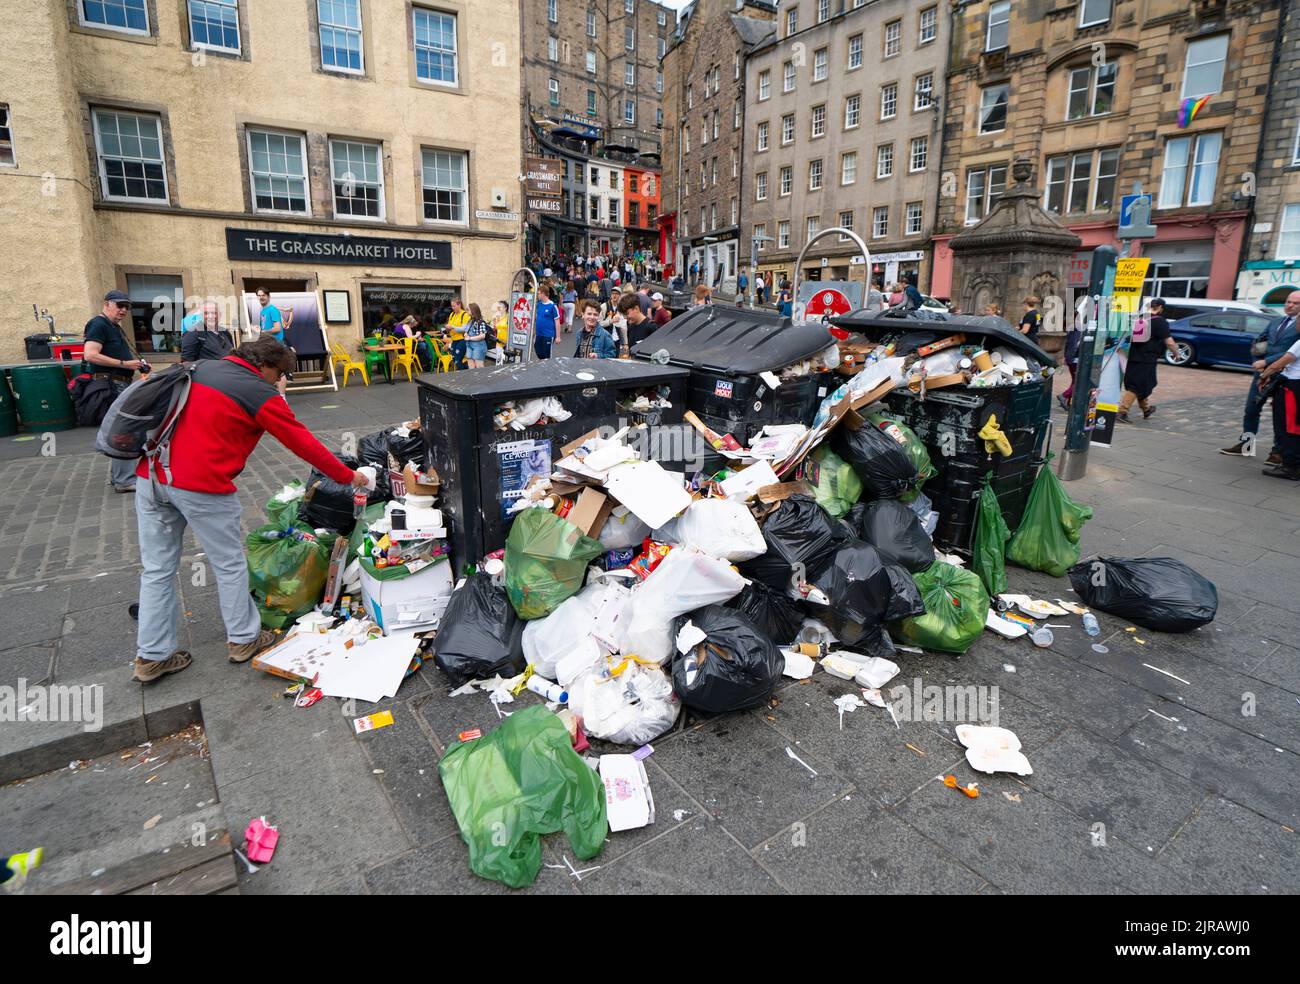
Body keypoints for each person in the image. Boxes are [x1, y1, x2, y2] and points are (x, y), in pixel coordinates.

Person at [130, 336, 368, 682]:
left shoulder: (203, 368)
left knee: (156, 570)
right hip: (202, 485)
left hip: (151, 476)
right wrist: (349, 476)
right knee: (229, 564)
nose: (279, 382)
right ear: (265, 367)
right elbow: (302, 442)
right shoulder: (258, 391)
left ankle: (151, 657)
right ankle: (243, 639)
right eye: (279, 375)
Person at [83, 289, 151, 492]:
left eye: (127, 307)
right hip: (111, 384)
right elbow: (90, 355)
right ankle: (124, 480)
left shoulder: (112, 326)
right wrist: (124, 363)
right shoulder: (98, 324)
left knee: (122, 430)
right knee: (125, 431)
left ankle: (120, 478)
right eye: (119, 305)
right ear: (107, 304)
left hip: (119, 383)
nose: (123, 310)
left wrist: (135, 365)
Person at [1221, 289, 1300, 463]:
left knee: (1280, 416)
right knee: (1251, 410)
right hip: (1262, 374)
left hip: (1285, 376)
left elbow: (1292, 352)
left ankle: (1278, 452)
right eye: (1288, 302)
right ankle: (1246, 445)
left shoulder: (1299, 325)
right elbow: (1259, 341)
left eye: (1295, 303)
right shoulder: (1276, 321)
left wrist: (1267, 362)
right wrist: (1257, 360)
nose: (1290, 305)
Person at [1118, 298, 1179, 423]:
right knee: (1136, 385)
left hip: (1133, 355)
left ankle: (1146, 409)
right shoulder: (1160, 322)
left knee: (1143, 383)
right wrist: (1176, 354)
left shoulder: (1140, 317)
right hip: (1147, 358)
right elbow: (1169, 342)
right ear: (1161, 308)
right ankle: (1122, 412)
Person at [1256, 330, 1300, 480]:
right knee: (1294, 425)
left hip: (1292, 388)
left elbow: (1280, 363)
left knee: (1287, 426)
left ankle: (1290, 467)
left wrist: (1263, 376)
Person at [534, 285, 559, 360]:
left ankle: (548, 370)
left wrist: (558, 336)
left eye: (538, 293)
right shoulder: (539, 304)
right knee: (538, 351)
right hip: (539, 334)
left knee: (547, 356)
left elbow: (557, 321)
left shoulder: (552, 306)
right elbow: (537, 318)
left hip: (548, 335)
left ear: (543, 294)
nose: (537, 295)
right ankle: (542, 366)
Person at [446, 297, 470, 369]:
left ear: (459, 305)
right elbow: (450, 326)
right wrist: (447, 329)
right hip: (454, 339)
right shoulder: (452, 314)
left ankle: (464, 373)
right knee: (454, 359)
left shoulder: (464, 315)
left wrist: (452, 327)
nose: (452, 308)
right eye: (452, 306)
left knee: (457, 359)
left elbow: (464, 329)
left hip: (462, 340)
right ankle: (465, 371)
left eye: (454, 306)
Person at [463, 303, 489, 369]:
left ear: (473, 310)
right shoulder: (470, 321)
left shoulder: (480, 322)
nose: (466, 311)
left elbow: (482, 336)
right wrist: (466, 334)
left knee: (479, 367)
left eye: (468, 309)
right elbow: (468, 331)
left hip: (478, 347)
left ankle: (482, 379)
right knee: (471, 366)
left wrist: (470, 338)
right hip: (469, 346)